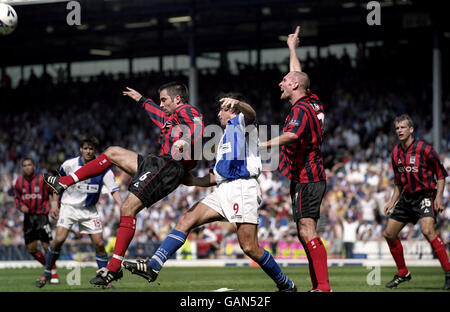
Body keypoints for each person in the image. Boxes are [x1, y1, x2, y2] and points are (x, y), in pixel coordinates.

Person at [122, 93, 297, 292]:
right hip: (222, 189)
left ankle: (286, 285)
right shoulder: (223, 141)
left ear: (232, 110)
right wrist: (192, 181)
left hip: (242, 187)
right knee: (186, 219)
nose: (218, 113)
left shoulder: (242, 124)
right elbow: (214, 177)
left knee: (249, 247)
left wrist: (239, 103)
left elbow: (251, 113)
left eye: (222, 109)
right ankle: (153, 266)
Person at [43, 81, 204, 286]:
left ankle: (113, 268)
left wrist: (187, 141)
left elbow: (198, 128)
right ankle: (64, 182)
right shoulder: (171, 117)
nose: (161, 103)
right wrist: (142, 100)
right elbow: (157, 113)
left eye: (164, 99)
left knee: (128, 207)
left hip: (169, 165)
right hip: (157, 162)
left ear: (177, 99)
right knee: (112, 152)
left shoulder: (187, 110)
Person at [259, 26, 331, 292]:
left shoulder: (300, 109)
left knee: (307, 230)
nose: (281, 83)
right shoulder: (311, 100)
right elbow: (297, 74)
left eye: (285, 81)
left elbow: (292, 135)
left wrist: (263, 142)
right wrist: (292, 49)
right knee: (304, 232)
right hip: (308, 176)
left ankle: (323, 287)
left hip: (307, 177)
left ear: (295, 86)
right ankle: (319, 286)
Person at [36, 136, 123, 288]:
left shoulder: (103, 167)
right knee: (59, 240)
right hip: (69, 207)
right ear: (81, 149)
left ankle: (105, 280)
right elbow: (58, 182)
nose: (88, 151)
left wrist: (123, 206)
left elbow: (114, 190)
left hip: (89, 210)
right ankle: (47, 273)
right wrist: (54, 203)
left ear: (95, 150)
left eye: (91, 149)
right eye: (86, 148)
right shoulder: (69, 164)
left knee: (99, 244)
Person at [383, 114, 449, 289]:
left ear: (411, 129)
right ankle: (403, 272)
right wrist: (392, 202)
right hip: (406, 197)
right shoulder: (395, 152)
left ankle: (449, 273)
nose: (399, 131)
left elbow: (441, 175)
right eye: (397, 128)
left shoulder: (425, 149)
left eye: (403, 127)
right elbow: (398, 182)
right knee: (389, 234)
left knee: (427, 230)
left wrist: (438, 198)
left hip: (425, 196)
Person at [13, 157, 59, 284]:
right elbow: (16, 197)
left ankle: (53, 273)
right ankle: (48, 268)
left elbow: (55, 189)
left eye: (29, 165)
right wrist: (20, 206)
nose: (27, 167)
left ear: (34, 166)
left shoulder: (43, 179)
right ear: (22, 168)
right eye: (25, 165)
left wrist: (54, 203)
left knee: (46, 246)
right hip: (28, 218)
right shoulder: (19, 181)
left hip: (42, 217)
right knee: (31, 249)